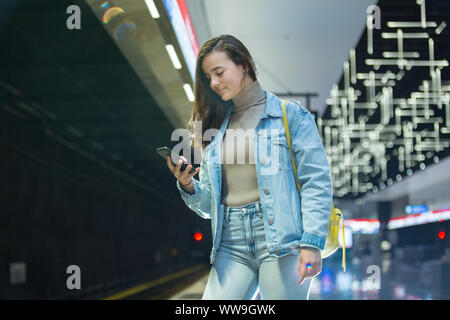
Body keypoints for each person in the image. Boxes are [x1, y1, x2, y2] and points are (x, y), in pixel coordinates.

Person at [166, 34, 333, 299]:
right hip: (230, 245)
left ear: (243, 64)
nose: (214, 83)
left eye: (219, 72)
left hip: (281, 241)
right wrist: (188, 185)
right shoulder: (215, 129)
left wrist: (311, 243)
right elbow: (211, 206)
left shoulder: (290, 115)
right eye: (209, 77)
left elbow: (316, 181)